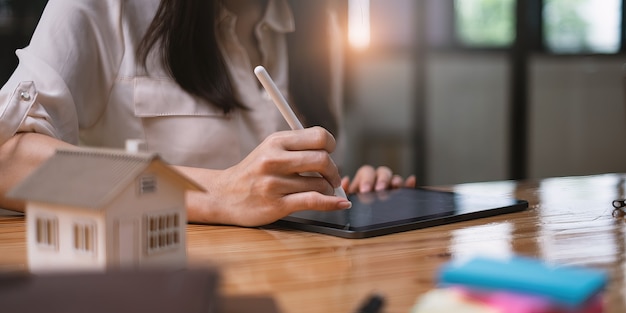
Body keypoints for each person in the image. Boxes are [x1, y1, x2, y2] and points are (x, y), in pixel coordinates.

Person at [0, 0, 416, 227]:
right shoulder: (106, 8)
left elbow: (280, 192)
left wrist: (337, 193)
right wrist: (216, 195)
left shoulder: (318, 25)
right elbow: (8, 162)